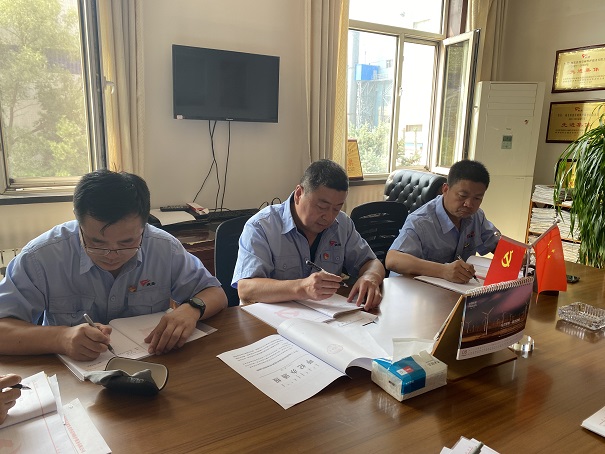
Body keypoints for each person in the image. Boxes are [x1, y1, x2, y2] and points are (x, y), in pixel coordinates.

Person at [0, 170, 227, 360]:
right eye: (96, 242)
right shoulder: (41, 256)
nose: (111, 255)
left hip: (152, 364)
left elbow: (215, 293)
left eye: (127, 242)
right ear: (79, 221)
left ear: (144, 224)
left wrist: (191, 309)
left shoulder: (164, 247)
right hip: (72, 377)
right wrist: (61, 338)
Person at [232, 159, 385, 309]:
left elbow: (372, 263)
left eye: (337, 208)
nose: (329, 217)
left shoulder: (342, 224)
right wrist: (302, 288)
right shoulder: (262, 226)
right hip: (270, 320)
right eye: (322, 207)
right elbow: (246, 289)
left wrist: (370, 277)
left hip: (324, 316)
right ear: (299, 194)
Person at [385, 160, 500, 283]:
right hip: (412, 288)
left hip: (454, 288)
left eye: (477, 198)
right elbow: (392, 260)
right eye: (462, 196)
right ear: (445, 189)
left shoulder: (476, 216)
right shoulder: (421, 221)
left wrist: (514, 258)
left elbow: (497, 245)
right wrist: (443, 271)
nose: (469, 204)